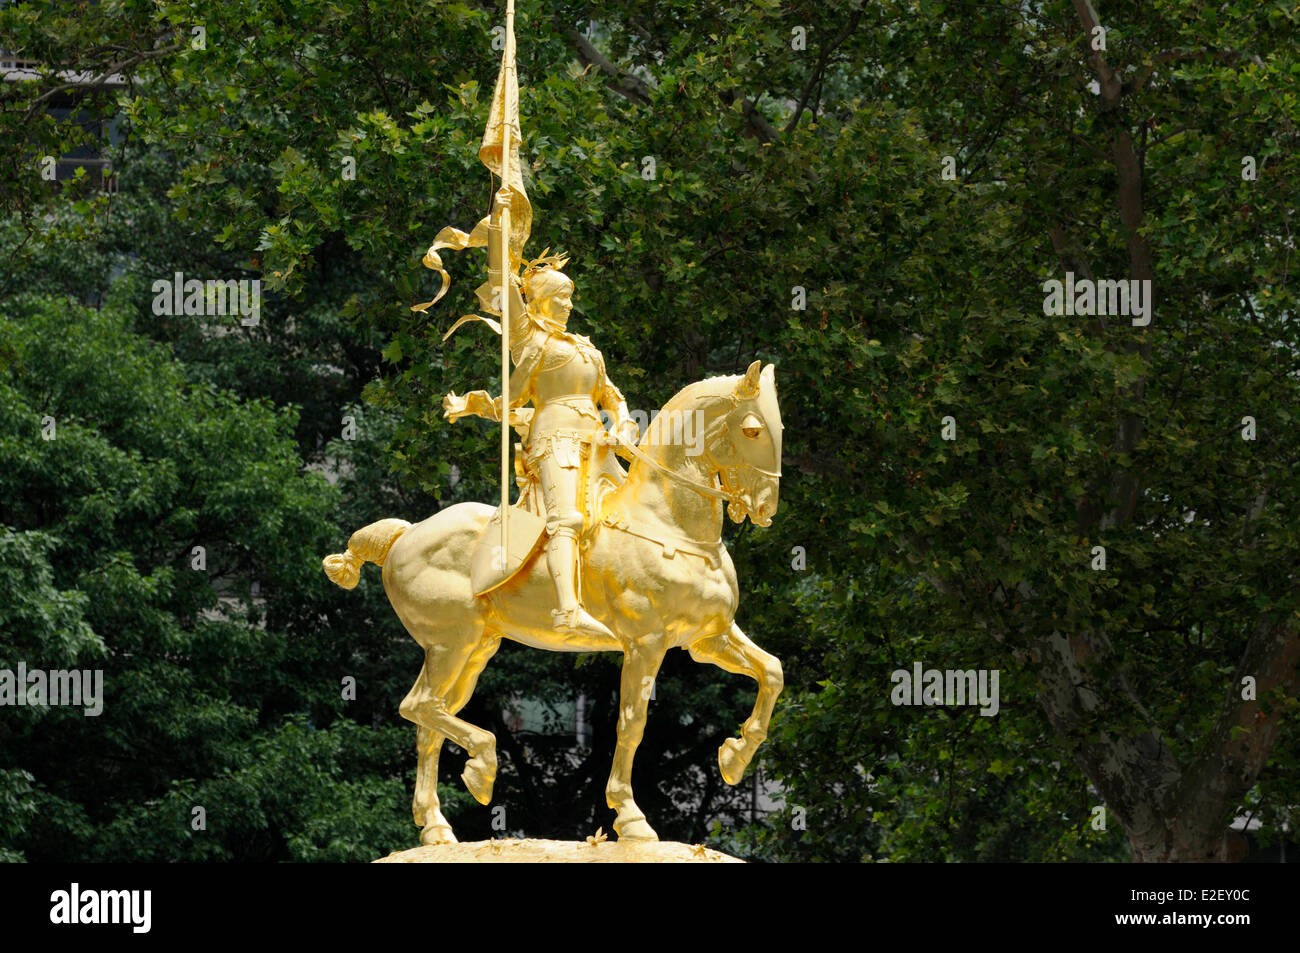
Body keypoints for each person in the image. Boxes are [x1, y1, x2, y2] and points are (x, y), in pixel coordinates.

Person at [442, 213, 639, 642]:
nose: (569, 304)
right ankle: (567, 610)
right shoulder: (530, 339)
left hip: (599, 444)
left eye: (570, 298)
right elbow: (505, 289)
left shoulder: (587, 349)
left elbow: (613, 395)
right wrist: (499, 232)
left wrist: (623, 425)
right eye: (563, 297)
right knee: (566, 519)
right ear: (544, 300)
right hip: (556, 441)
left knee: (632, 516)